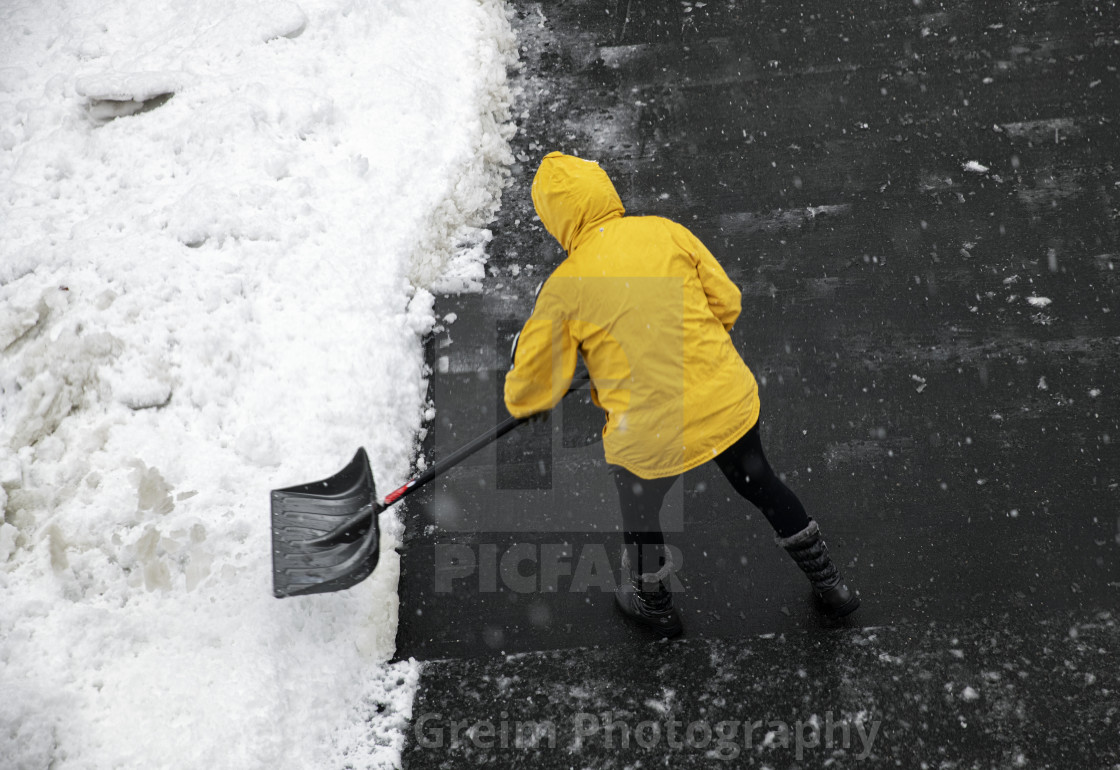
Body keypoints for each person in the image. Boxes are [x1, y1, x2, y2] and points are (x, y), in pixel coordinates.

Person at [503, 152, 859, 638]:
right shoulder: (666, 231)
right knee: (762, 485)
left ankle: (656, 606)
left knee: (643, 514)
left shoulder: (566, 286)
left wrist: (533, 398)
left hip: (649, 432)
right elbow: (727, 302)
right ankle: (832, 585)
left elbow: (535, 382)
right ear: (606, 192)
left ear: (555, 219)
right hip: (725, 399)